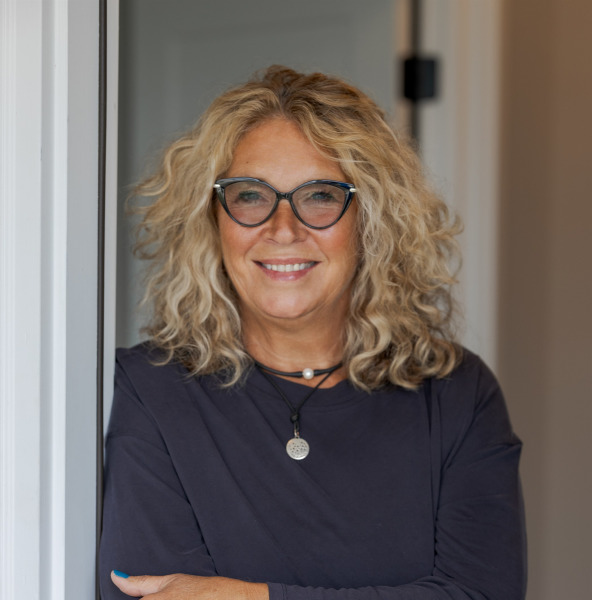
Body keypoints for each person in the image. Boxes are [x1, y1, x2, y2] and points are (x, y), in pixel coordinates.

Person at [99, 66, 526, 600]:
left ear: (371, 220)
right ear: (211, 218)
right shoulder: (145, 388)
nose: (283, 229)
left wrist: (250, 597)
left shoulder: (457, 394)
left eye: (321, 195)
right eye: (250, 195)